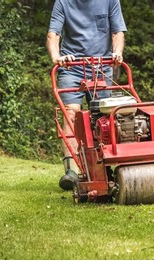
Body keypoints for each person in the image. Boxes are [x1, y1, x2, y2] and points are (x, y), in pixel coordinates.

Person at [47, 0, 127, 190]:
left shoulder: (109, 1)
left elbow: (118, 32)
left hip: (101, 65)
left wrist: (117, 53)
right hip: (71, 66)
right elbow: (53, 35)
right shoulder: (63, 2)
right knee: (71, 114)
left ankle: (104, 167)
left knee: (102, 117)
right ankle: (71, 171)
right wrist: (57, 58)